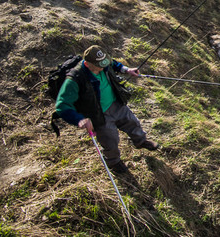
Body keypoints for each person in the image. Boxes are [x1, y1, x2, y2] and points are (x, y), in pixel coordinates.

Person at [55, 45, 159, 173]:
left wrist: (127, 70)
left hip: (116, 103)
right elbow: (62, 105)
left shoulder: (103, 64)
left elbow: (113, 64)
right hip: (98, 115)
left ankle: (141, 141)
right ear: (88, 64)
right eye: (100, 65)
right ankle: (114, 162)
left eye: (105, 62)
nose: (104, 67)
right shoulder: (75, 79)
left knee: (132, 122)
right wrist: (79, 120)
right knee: (110, 140)